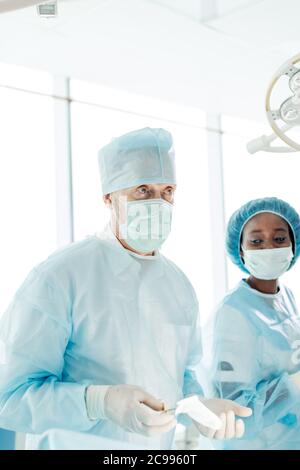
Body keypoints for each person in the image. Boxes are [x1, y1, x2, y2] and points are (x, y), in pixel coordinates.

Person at [0, 127, 250, 450]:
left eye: (167, 191)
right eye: (143, 190)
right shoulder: (60, 277)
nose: (158, 203)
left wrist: (198, 408)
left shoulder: (179, 287)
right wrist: (99, 401)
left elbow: (181, 377)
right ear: (109, 197)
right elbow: (11, 398)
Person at [211, 197, 300, 449]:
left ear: (293, 245)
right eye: (257, 241)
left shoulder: (287, 297)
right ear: (241, 250)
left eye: (279, 239)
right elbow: (237, 413)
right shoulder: (234, 312)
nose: (269, 248)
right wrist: (293, 385)